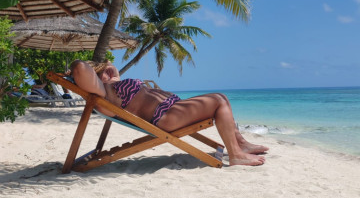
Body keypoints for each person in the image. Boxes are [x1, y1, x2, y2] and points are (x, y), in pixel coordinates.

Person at [70, 60, 268, 166]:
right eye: (102, 70)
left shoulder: (111, 87)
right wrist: (97, 69)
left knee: (221, 97)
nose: (109, 70)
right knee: (218, 101)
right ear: (94, 76)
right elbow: (80, 68)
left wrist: (110, 71)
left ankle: (241, 144)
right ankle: (235, 155)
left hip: (174, 109)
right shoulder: (104, 94)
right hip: (166, 116)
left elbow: (110, 75)